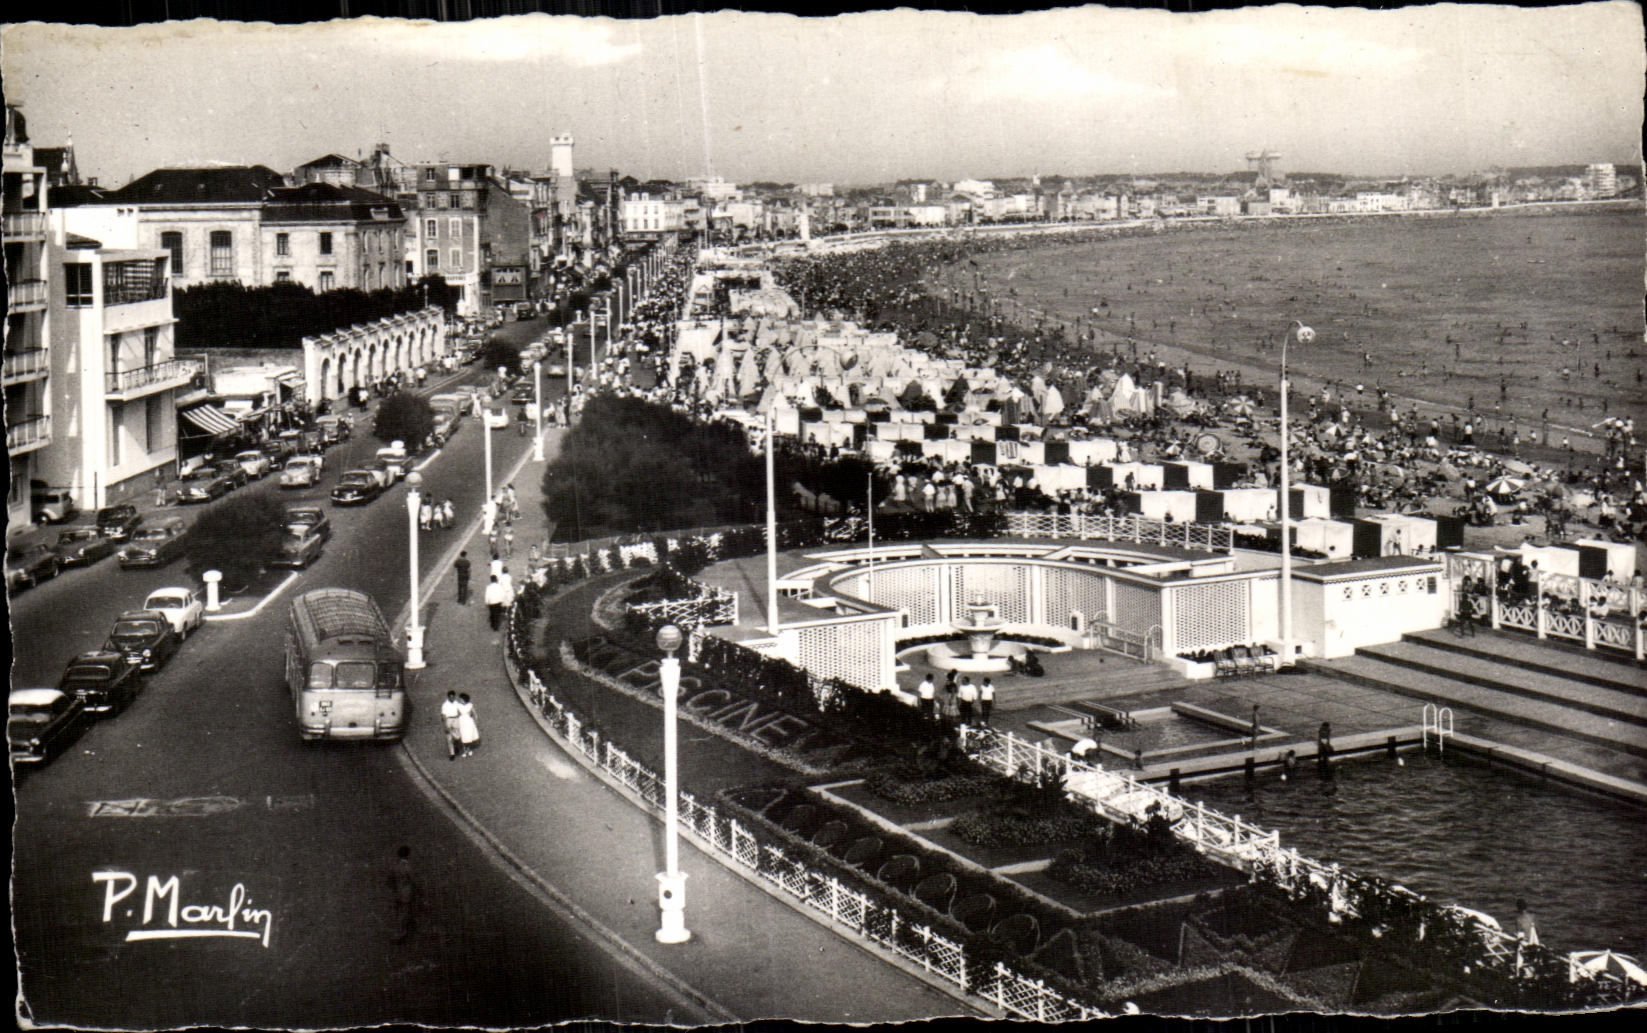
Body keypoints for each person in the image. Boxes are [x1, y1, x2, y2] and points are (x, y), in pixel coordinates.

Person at [388, 845, 416, 943]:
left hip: (397, 893)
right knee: (404, 913)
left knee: (397, 912)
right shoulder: (407, 867)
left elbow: (390, 880)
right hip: (406, 893)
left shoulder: (395, 866)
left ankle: (395, 931)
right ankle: (399, 933)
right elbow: (413, 880)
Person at [440, 691, 463, 760]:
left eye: (453, 697)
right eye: (450, 697)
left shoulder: (457, 704)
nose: (452, 699)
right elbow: (443, 715)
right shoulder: (445, 705)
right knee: (449, 738)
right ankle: (452, 754)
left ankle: (456, 747)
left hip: (456, 719)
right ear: (448, 697)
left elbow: (461, 712)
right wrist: (445, 725)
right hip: (448, 720)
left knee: (458, 737)